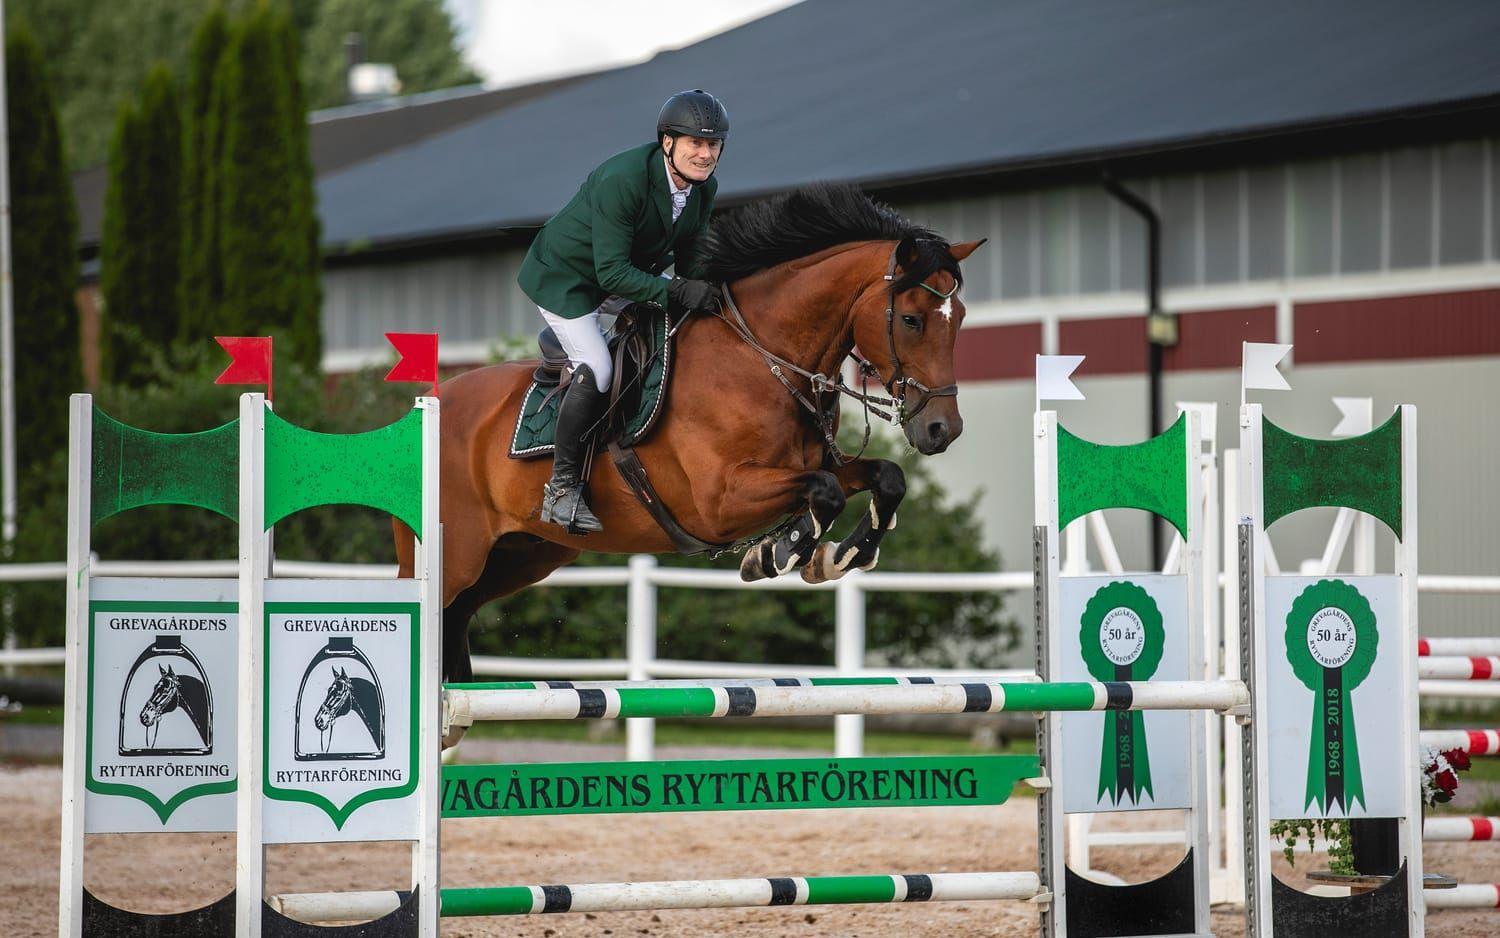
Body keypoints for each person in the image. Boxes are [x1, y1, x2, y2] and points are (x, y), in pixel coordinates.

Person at [517, 89, 729, 534]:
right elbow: (611, 274)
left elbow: (692, 264)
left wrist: (708, 293)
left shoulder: (703, 189)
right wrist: (676, 292)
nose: (705, 153)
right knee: (597, 367)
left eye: (712, 144)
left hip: (625, 272)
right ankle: (561, 489)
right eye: (695, 142)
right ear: (667, 143)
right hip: (567, 279)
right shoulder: (624, 178)